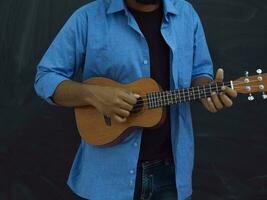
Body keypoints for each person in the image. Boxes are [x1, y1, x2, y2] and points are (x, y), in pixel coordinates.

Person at [34, 0, 237, 199]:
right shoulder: (88, 17)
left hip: (172, 176)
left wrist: (206, 90)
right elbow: (46, 77)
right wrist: (93, 95)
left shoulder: (187, 15)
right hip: (105, 178)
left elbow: (200, 71)